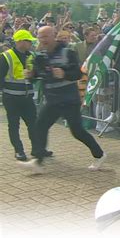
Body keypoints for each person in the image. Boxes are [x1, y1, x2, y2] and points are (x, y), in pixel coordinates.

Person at [19, 26, 107, 174]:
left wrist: (64, 73)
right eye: (40, 37)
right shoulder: (40, 55)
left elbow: (78, 74)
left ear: (54, 35)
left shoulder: (68, 52)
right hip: (52, 100)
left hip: (69, 100)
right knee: (40, 126)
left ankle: (100, 154)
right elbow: (38, 76)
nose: (43, 40)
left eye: (46, 36)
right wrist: (30, 75)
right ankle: (37, 161)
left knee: (77, 131)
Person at [0, 30, 50, 161]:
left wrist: (34, 74)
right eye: (28, 41)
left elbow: (38, 74)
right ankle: (19, 151)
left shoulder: (32, 55)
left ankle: (37, 149)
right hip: (11, 98)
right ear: (20, 42)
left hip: (27, 98)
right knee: (14, 125)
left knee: (34, 124)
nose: (30, 43)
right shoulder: (6, 56)